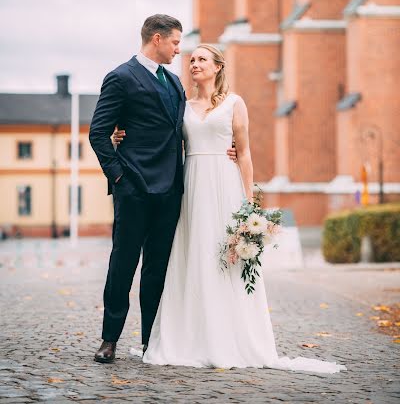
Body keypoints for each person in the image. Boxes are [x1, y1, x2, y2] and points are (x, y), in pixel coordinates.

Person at [115, 43, 347, 373]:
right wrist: (119, 134)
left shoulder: (235, 103)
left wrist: (250, 204)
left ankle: (232, 338)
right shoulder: (181, 104)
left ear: (218, 67)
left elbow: (245, 152)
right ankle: (192, 338)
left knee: (226, 259)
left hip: (225, 186)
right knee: (193, 257)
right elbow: (158, 135)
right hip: (191, 186)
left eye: (202, 59)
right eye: (191, 59)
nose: (194, 63)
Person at [89, 15, 236, 363]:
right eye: (175, 43)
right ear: (157, 39)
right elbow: (99, 132)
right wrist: (119, 176)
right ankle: (109, 340)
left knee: (158, 269)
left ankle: (149, 343)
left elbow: (185, 131)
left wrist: (224, 149)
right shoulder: (121, 77)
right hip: (134, 188)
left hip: (172, 191)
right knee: (123, 265)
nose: (179, 50)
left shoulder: (173, 83)